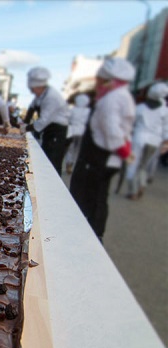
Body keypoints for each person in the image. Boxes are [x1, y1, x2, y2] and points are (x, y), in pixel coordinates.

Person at [69, 57, 136, 241]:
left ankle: (90, 238)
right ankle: (91, 235)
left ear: (109, 80)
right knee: (97, 196)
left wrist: (124, 152)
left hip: (99, 156)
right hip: (106, 155)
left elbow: (112, 130)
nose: (97, 83)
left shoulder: (113, 99)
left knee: (91, 197)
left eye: (101, 79)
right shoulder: (121, 96)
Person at [125, 82, 168, 200]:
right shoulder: (164, 111)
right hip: (155, 141)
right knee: (144, 166)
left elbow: (130, 124)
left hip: (139, 137)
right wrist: (166, 143)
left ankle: (133, 190)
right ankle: (142, 184)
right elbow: (166, 128)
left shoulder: (140, 108)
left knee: (133, 163)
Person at [24, 67, 69, 175]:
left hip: (57, 131)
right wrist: (25, 121)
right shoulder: (41, 95)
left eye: (33, 89)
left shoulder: (51, 97)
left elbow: (43, 121)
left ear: (39, 86)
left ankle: (53, 185)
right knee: (45, 156)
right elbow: (32, 107)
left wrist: (25, 128)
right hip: (49, 130)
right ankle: (44, 176)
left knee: (52, 160)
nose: (31, 91)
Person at [64, 94, 91, 174]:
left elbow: (67, 119)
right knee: (79, 150)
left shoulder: (72, 110)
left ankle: (69, 164)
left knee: (70, 149)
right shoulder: (88, 111)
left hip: (72, 131)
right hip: (83, 132)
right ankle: (76, 165)